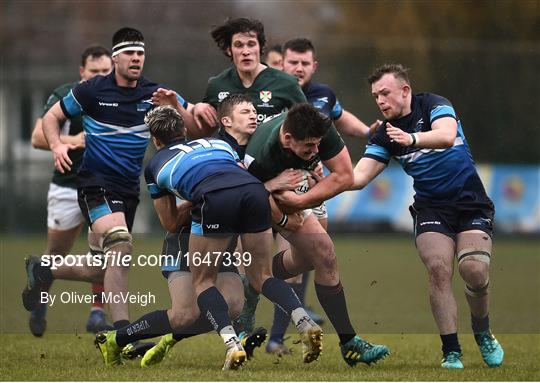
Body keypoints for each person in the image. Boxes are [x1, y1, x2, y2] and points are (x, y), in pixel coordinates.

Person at [96, 105, 323, 370]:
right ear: (184, 130)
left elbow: (169, 221)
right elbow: (247, 180)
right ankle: (303, 321)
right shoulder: (218, 144)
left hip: (212, 212)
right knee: (254, 281)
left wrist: (197, 198)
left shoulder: (155, 165)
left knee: (222, 298)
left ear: (155, 140)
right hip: (247, 200)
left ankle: (230, 344)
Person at [23, 27, 194, 356]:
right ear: (115, 57)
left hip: (128, 192)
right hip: (95, 185)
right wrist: (58, 144)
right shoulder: (90, 90)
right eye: (129, 53)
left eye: (140, 53)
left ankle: (44, 268)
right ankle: (120, 335)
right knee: (120, 244)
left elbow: (195, 126)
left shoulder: (156, 93)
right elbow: (52, 117)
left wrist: (180, 106)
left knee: (104, 266)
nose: (136, 58)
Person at [351, 63, 504, 369]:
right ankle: (451, 351)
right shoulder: (383, 135)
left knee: (474, 270)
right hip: (431, 208)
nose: (380, 101)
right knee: (437, 268)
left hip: (471, 202)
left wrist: (412, 139)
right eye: (375, 96)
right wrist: (322, 175)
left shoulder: (433, 104)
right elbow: (357, 179)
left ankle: (482, 331)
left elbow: (446, 136)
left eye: (385, 93)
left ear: (405, 91)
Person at [242, 102, 390, 367]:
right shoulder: (260, 157)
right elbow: (255, 200)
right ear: (287, 139)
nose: (316, 151)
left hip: (293, 194)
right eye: (309, 146)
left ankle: (254, 277)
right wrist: (285, 213)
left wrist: (301, 201)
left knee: (319, 257)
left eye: (317, 144)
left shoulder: (321, 127)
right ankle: (350, 341)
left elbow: (344, 177)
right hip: (258, 198)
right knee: (324, 253)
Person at [265, 37, 381, 355]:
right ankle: (276, 337)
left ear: (313, 66)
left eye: (305, 63)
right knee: (301, 258)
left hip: (312, 186)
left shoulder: (324, 96)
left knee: (306, 261)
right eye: (293, 62)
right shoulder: (270, 94)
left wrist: (369, 132)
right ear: (282, 63)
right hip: (272, 186)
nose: (299, 68)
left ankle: (256, 282)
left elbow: (342, 119)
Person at [28, 45, 113, 336]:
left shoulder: (119, 96)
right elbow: (38, 137)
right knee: (55, 254)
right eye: (95, 72)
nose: (101, 76)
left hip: (103, 186)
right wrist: (75, 140)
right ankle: (39, 297)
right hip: (67, 184)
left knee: (105, 249)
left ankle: (97, 315)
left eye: (106, 71)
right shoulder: (67, 95)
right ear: (82, 72)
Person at [191, 17, 306, 137]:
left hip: (270, 155)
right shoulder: (217, 84)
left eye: (251, 44)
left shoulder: (287, 83)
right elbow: (201, 131)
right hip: (230, 155)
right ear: (229, 50)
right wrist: (197, 108)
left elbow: (308, 124)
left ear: (260, 47)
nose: (246, 51)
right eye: (238, 45)